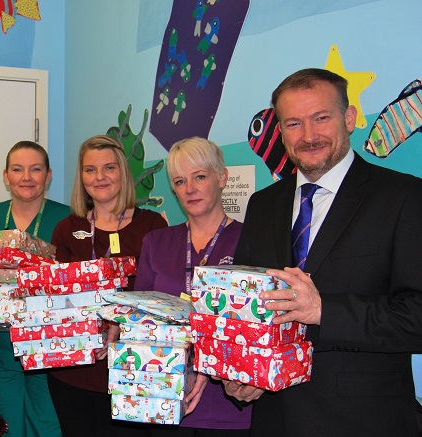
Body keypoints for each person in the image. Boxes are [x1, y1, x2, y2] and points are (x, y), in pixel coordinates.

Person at [225, 68, 422, 436]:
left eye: (322, 118)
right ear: (281, 132)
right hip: (274, 418)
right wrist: (245, 371)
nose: (309, 136)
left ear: (348, 118)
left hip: (363, 422)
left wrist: (323, 311)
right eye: (294, 124)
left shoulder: (404, 198)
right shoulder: (262, 205)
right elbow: (247, 309)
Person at [48, 134, 168, 435]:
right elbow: (54, 297)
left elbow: (162, 299)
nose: (99, 177)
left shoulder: (153, 227)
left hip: (135, 368)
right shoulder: (67, 229)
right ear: (82, 176)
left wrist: (121, 322)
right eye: (90, 169)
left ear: (123, 173)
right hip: (75, 373)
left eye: (109, 168)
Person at [135, 137, 251, 436]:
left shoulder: (251, 241)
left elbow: (257, 325)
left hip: (229, 401)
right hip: (164, 397)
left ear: (222, 177)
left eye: (200, 176)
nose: (190, 188)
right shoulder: (157, 242)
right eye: (180, 181)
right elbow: (139, 322)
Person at [0, 140, 70, 437]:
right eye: (18, 169)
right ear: (5, 176)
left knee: (49, 426)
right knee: (3, 426)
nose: (27, 177)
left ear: (48, 176)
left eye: (35, 169)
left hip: (50, 347)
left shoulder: (69, 220)